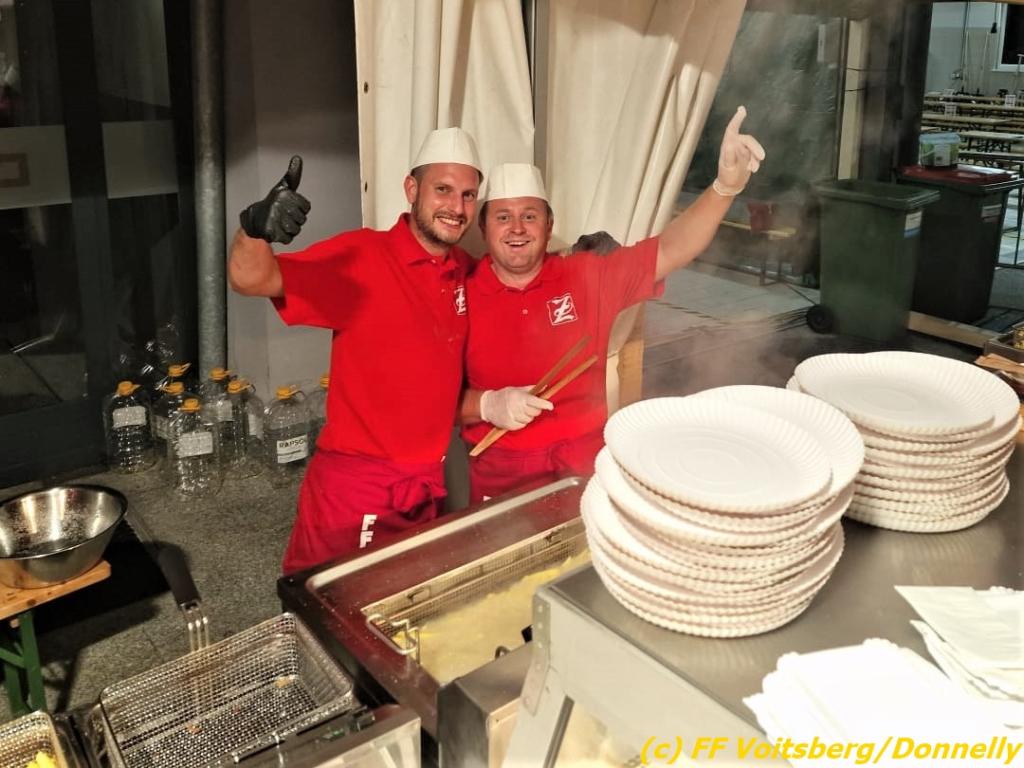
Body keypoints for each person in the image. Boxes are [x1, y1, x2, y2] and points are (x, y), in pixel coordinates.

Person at [459, 107, 765, 502]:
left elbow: (669, 250)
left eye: (529, 216)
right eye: (503, 217)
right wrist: (486, 405)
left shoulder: (587, 275)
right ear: (483, 228)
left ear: (549, 226)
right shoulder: (459, 293)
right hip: (500, 474)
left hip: (586, 466)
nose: (517, 228)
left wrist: (724, 188)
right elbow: (428, 402)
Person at [228, 128, 483, 573]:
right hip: (360, 489)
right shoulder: (365, 255)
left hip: (425, 484)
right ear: (412, 189)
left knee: (403, 599)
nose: (456, 207)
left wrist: (579, 262)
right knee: (330, 600)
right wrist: (253, 230)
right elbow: (250, 279)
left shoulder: (462, 270)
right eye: (442, 190)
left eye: (468, 195)